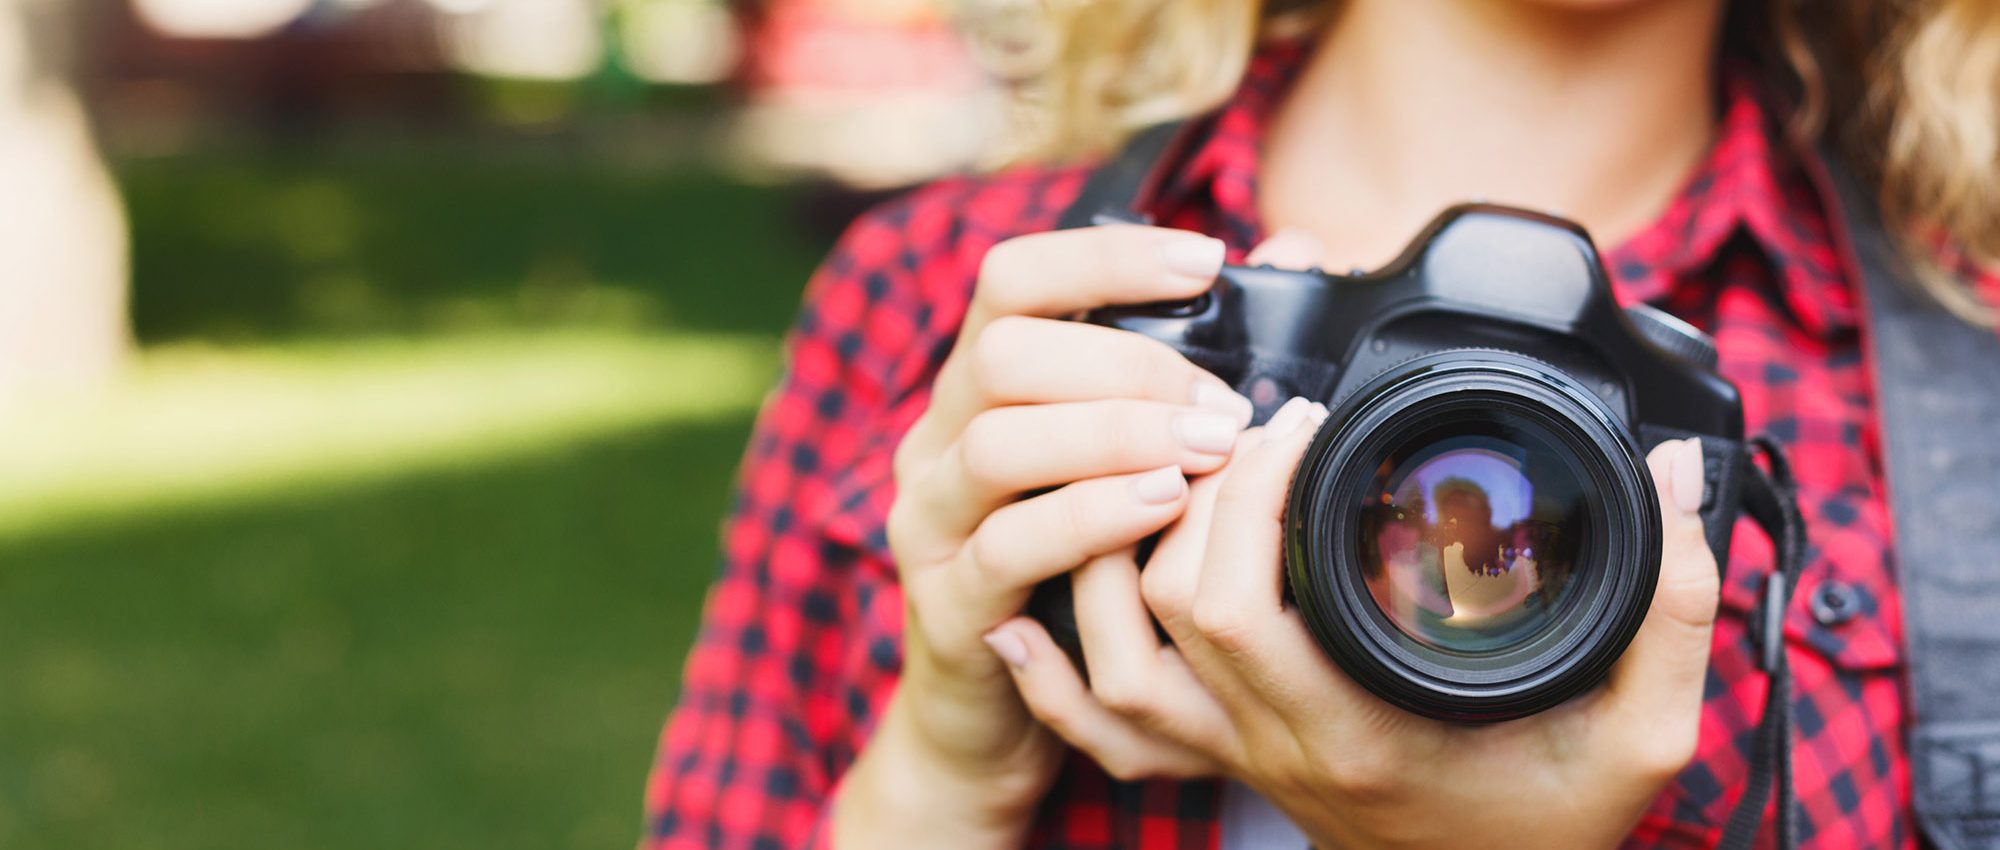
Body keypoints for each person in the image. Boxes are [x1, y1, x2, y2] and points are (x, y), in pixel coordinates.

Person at [642, 0, 2000, 847]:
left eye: (1499, 531)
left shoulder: (1972, 381)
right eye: (1436, 517)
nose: (1456, 539)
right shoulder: (950, 298)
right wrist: (938, 773)